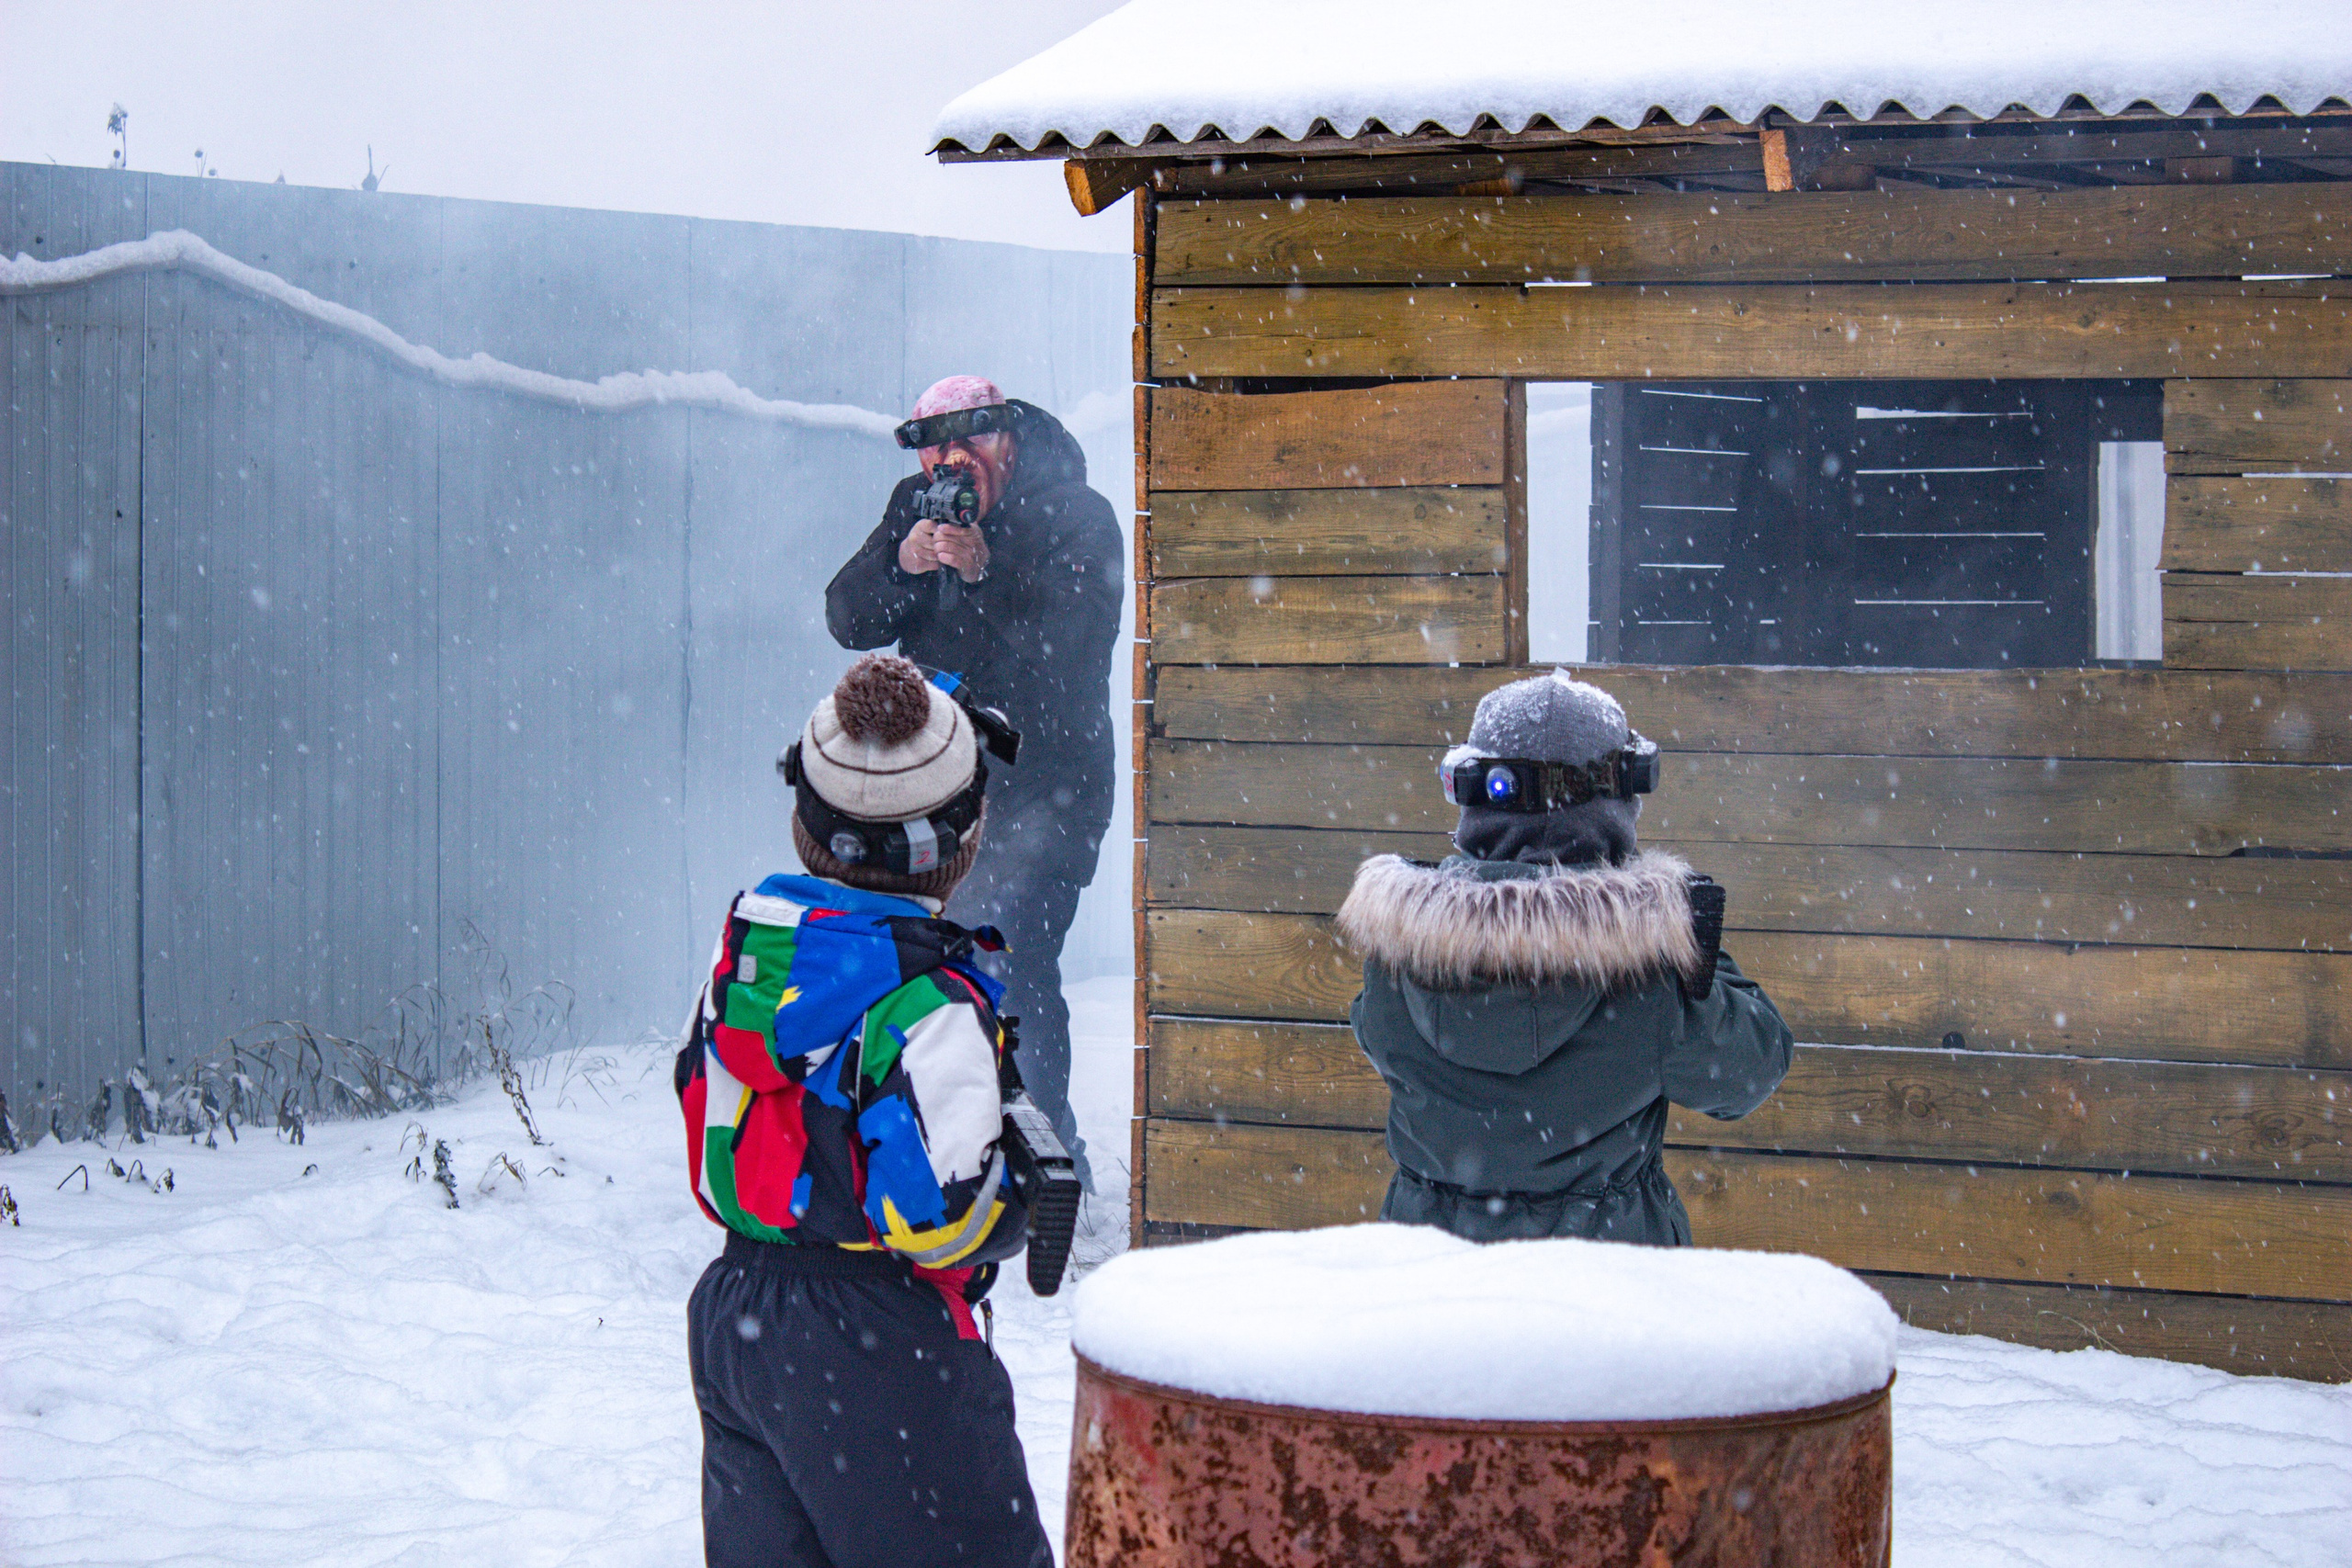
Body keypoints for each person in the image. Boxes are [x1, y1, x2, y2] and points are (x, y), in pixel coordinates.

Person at [675, 653, 1052, 1568]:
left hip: (741, 1316)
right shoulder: (929, 1007)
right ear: (961, 845)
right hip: (880, 1338)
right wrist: (1021, 1191)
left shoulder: (753, 964)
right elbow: (941, 1217)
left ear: (807, 827)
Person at [1334, 671, 1793, 1245]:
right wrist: (1689, 944)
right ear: (1617, 805)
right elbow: (1753, 1068)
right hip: (1605, 1294)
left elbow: (1381, 1038)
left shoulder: (1401, 956)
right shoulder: (1649, 980)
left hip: (1434, 1283)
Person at [826, 376, 1122, 1187]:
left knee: (1007, 955)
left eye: (970, 443)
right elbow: (846, 615)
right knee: (905, 954)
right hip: (936, 785)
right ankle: (929, 1147)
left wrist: (990, 578)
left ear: (1008, 442)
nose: (953, 465)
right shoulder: (912, 507)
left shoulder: (1078, 517)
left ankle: (1044, 1161)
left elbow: (1068, 665)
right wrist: (902, 560)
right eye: (934, 449)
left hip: (1047, 785)